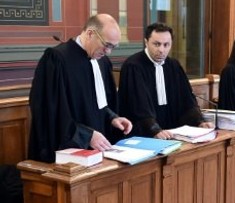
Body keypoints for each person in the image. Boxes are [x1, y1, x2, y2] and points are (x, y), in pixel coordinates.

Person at [28, 14, 134, 162]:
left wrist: (112, 118)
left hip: (98, 152)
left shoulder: (102, 63)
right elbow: (48, 112)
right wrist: (86, 135)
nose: (108, 52)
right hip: (66, 156)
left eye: (113, 47)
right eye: (107, 45)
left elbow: (98, 105)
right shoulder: (56, 60)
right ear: (90, 33)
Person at [118, 22, 212, 139]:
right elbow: (137, 105)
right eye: (157, 44)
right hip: (143, 134)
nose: (162, 50)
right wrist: (154, 130)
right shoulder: (133, 66)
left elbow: (186, 98)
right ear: (146, 42)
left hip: (172, 132)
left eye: (166, 45)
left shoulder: (174, 65)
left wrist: (199, 121)